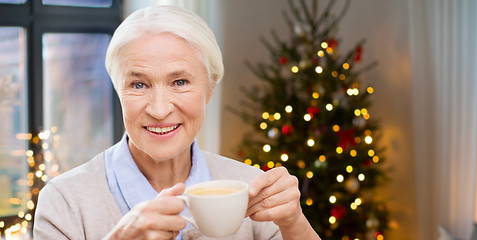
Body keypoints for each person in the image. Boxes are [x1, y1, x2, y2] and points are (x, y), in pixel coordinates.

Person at [33, 5, 320, 240]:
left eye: (180, 81)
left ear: (210, 87)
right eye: (138, 85)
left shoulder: (249, 188)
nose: (159, 110)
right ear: (117, 89)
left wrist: (295, 223)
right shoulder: (64, 202)